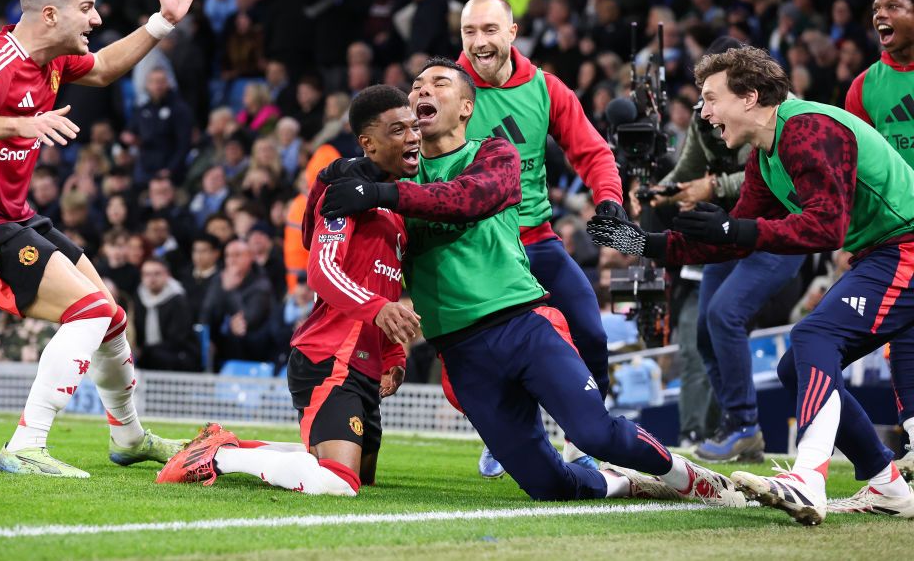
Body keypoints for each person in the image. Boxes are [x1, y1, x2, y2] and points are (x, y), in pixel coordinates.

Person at [317, 58, 743, 507]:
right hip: (460, 353)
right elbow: (338, 191)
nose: (421, 92)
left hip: (520, 326)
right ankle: (623, 483)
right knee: (547, 486)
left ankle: (687, 476)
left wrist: (381, 192)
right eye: (416, 86)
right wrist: (342, 175)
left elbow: (467, 199)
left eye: (438, 84)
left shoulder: (495, 154)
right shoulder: (398, 173)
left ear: (466, 107)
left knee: (595, 432)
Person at [587, 46, 914, 524]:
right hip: (885, 252)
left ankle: (808, 479)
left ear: (750, 97)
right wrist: (636, 241)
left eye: (711, 98)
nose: (704, 111)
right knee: (794, 369)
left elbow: (826, 229)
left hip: (903, 247)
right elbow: (727, 244)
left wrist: (734, 230)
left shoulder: (808, 129)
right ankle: (888, 486)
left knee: (812, 337)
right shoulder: (767, 157)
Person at [0, 0, 206, 477]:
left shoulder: (54, 59)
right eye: (87, 8)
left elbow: (101, 69)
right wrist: (21, 124)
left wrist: (162, 22)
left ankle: (129, 438)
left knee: (111, 317)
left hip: (14, 215)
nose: (96, 19)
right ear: (50, 14)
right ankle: (25, 445)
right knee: (90, 311)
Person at [158, 85, 422, 495]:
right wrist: (378, 311)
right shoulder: (344, 195)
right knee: (339, 483)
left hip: (365, 364)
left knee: (352, 474)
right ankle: (221, 457)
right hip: (328, 356)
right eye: (398, 129)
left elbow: (383, 285)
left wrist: (393, 353)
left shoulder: (397, 210)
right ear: (368, 144)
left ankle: (224, 444)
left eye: (412, 126)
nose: (413, 136)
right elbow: (321, 272)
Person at [456, 0, 626, 475]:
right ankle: (509, 434)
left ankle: (582, 438)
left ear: (512, 33)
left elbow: (593, 153)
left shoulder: (546, 89)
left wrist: (608, 197)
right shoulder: (445, 88)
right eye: (470, 32)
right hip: (481, 249)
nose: (479, 42)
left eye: (490, 30)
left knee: (590, 333)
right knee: (489, 355)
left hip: (536, 240)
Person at [654, 37, 804, 461]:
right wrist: (658, 193)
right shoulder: (709, 113)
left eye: (711, 95)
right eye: (703, 95)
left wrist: (713, 187)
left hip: (777, 233)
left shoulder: (782, 113)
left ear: (744, 90)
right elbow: (689, 169)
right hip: (730, 230)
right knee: (705, 331)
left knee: (725, 314)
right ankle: (739, 428)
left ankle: (742, 423)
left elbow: (761, 176)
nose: (705, 108)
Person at [844, 0, 914, 480]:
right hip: (899, 231)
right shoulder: (864, 89)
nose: (880, 16)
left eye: (893, 6)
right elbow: (858, 175)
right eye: (876, 11)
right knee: (906, 335)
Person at [133, 257, 198, 372]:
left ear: (167, 275)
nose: (152, 279)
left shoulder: (178, 299)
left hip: (179, 354)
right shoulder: (139, 297)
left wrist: (145, 351)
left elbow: (178, 339)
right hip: (150, 353)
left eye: (157, 274)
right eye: (147, 274)